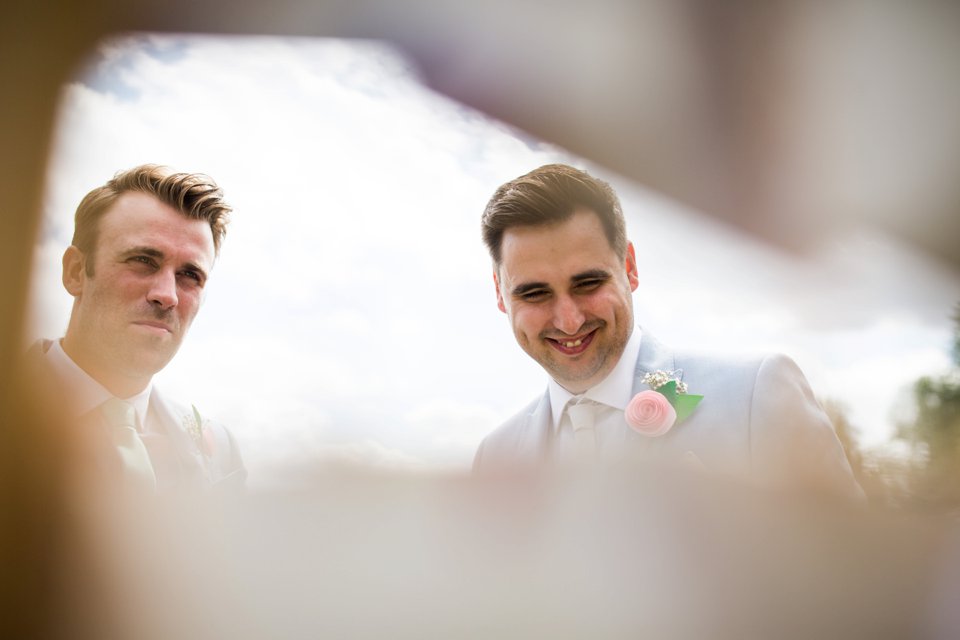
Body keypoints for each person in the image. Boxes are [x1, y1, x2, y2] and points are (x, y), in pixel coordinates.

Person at [474, 163, 860, 496]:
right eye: (535, 294)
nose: (569, 320)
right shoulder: (494, 458)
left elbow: (856, 567)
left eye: (588, 284)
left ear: (629, 267)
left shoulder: (755, 396)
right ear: (500, 293)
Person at [28, 164, 245, 491]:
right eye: (143, 260)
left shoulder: (220, 451)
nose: (166, 295)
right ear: (75, 272)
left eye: (190, 276)